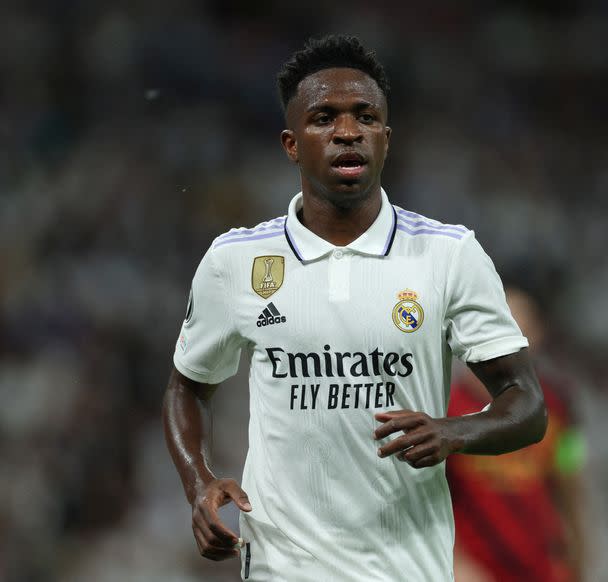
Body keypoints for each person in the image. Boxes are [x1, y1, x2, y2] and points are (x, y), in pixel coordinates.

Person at [162, 35, 547, 582]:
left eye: (365, 117)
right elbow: (188, 386)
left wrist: (453, 432)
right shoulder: (237, 260)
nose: (347, 132)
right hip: (281, 564)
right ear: (291, 144)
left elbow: (527, 403)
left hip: (405, 567)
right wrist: (198, 480)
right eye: (324, 118)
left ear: (385, 140)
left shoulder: (448, 254)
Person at [447, 286, 585, 582]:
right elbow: (428, 501)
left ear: (537, 335)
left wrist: (578, 552)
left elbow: (569, 477)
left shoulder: (558, 406)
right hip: (477, 570)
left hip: (542, 568)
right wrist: (455, 563)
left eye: (521, 328)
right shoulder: (447, 408)